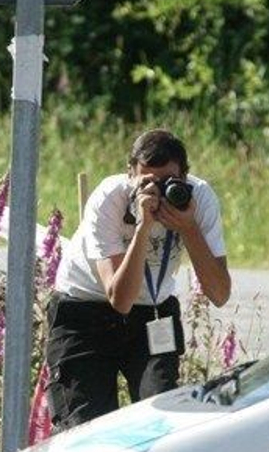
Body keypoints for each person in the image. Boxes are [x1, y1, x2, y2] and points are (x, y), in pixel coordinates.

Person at [45, 129, 232, 430]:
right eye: (147, 182)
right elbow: (120, 300)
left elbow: (220, 294)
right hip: (85, 309)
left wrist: (189, 228)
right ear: (129, 174)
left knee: (161, 422)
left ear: (185, 177)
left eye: (169, 182)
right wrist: (143, 227)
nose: (158, 192)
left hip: (152, 313)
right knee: (85, 430)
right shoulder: (110, 198)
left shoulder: (199, 199)